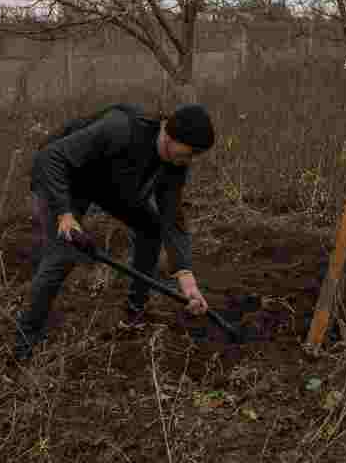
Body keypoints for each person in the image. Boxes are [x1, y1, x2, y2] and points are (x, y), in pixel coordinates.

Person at [13, 102, 215, 362]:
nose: (190, 159)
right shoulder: (120, 129)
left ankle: (135, 313)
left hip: (108, 184)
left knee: (151, 229)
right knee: (63, 255)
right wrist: (65, 213)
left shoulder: (176, 163)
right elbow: (50, 158)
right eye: (190, 151)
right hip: (63, 178)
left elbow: (172, 219)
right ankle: (24, 343)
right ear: (169, 134)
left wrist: (187, 280)